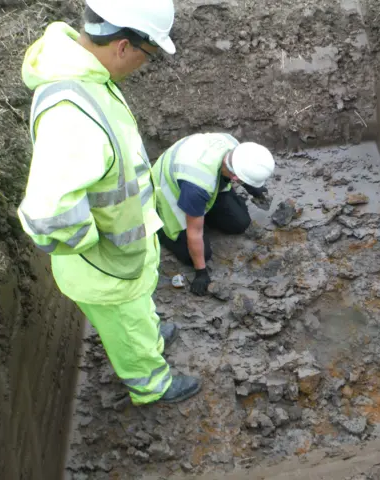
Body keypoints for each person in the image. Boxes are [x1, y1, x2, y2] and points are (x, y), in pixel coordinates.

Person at [17, 0, 202, 406]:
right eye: (147, 55)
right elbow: (48, 216)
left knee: (138, 317)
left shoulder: (87, 78)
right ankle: (151, 386)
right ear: (122, 46)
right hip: (106, 269)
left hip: (123, 257)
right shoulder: (72, 114)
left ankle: (150, 334)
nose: (143, 64)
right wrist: (94, 244)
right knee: (127, 331)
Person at [153, 133, 275, 295]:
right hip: (170, 191)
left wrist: (250, 186)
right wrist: (201, 272)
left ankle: (200, 212)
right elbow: (194, 233)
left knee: (240, 222)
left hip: (201, 178)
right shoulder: (197, 184)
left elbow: (234, 169)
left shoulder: (233, 146)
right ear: (235, 176)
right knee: (197, 255)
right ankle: (159, 228)